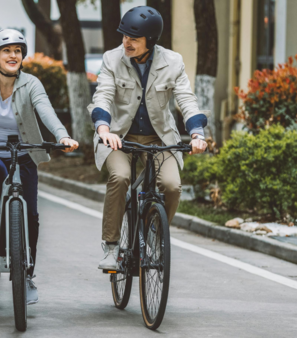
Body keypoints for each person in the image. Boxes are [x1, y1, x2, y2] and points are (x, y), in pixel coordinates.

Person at [0, 29, 79, 304]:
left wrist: (62, 136)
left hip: (22, 152)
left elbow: (45, 110)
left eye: (18, 51)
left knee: (30, 215)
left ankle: (27, 275)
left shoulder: (31, 83)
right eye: (7, 51)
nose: (13, 55)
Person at [88, 6, 208, 269]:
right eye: (124, 37)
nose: (126, 43)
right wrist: (103, 128)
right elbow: (103, 95)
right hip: (119, 137)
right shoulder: (112, 59)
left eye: (133, 38)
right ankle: (111, 247)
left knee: (172, 185)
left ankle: (154, 233)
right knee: (120, 177)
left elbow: (186, 100)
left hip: (159, 138)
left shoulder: (172, 62)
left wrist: (197, 133)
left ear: (150, 41)